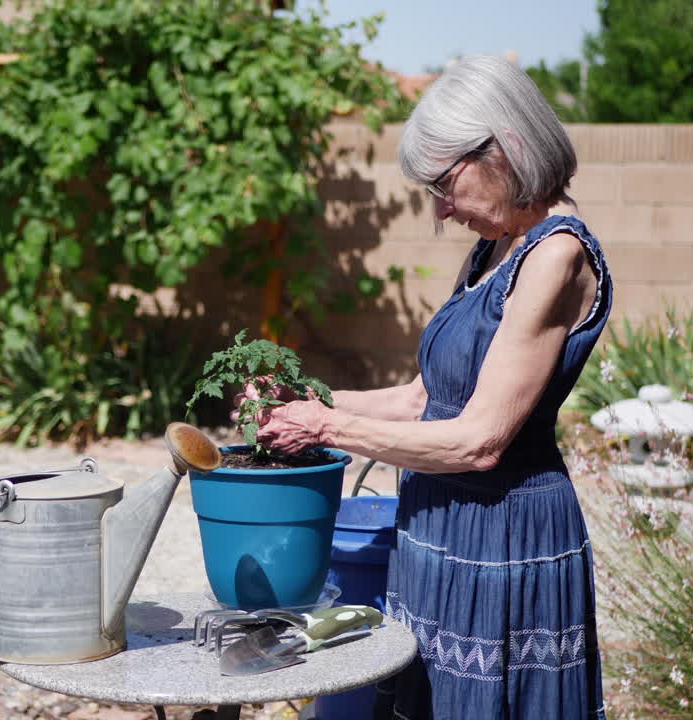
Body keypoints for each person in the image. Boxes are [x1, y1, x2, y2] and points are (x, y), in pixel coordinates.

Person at [250, 55, 611, 719]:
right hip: (440, 530)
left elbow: (478, 440)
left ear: (503, 150)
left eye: (445, 184)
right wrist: (305, 397)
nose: (442, 209)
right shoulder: (499, 247)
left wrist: (324, 428)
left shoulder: (556, 254)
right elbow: (422, 400)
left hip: (503, 541)